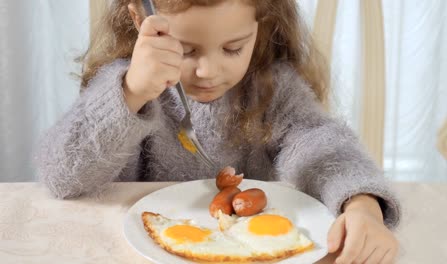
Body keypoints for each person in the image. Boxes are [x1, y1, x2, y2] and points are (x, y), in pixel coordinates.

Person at [36, 0, 401, 263]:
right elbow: (63, 177)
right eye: (186, 49)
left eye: (233, 48)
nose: (208, 71)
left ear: (262, 24)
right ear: (139, 18)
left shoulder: (273, 88)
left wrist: (362, 205)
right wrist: (131, 93)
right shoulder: (123, 86)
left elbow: (321, 144)